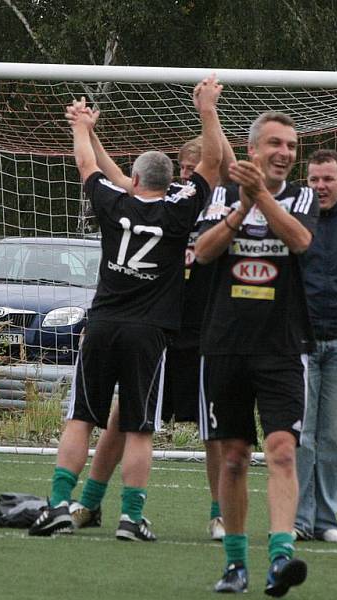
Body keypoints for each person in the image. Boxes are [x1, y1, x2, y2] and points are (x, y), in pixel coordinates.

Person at [28, 76, 222, 541]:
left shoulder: (115, 203)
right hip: (150, 332)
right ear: (170, 180)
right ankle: (131, 518)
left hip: (102, 323)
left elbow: (86, 164)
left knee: (82, 418)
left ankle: (58, 504)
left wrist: (81, 125)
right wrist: (207, 109)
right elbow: (214, 161)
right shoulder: (180, 212)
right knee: (139, 428)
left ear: (134, 181)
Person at [65, 133, 232, 541]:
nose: (190, 176)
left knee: (214, 426)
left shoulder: (227, 204)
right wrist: (93, 137)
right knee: (123, 417)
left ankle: (220, 514)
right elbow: (122, 177)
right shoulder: (171, 199)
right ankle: (89, 502)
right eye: (185, 169)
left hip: (199, 329)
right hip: (155, 325)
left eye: (196, 169)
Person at [195, 111, 318, 595]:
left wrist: (261, 196)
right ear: (252, 151)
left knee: (282, 449)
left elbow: (302, 240)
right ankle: (234, 565)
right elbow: (203, 251)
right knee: (233, 457)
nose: (285, 153)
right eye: (275, 144)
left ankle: (281, 558)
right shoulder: (223, 195)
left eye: (291, 145)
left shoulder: (301, 196)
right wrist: (240, 207)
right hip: (225, 344)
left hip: (282, 346)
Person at [294, 149, 337, 543]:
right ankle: (300, 519)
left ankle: (328, 519)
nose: (321, 186)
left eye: (328, 179)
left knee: (332, 437)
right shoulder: (294, 217)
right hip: (302, 342)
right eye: (314, 180)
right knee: (302, 435)